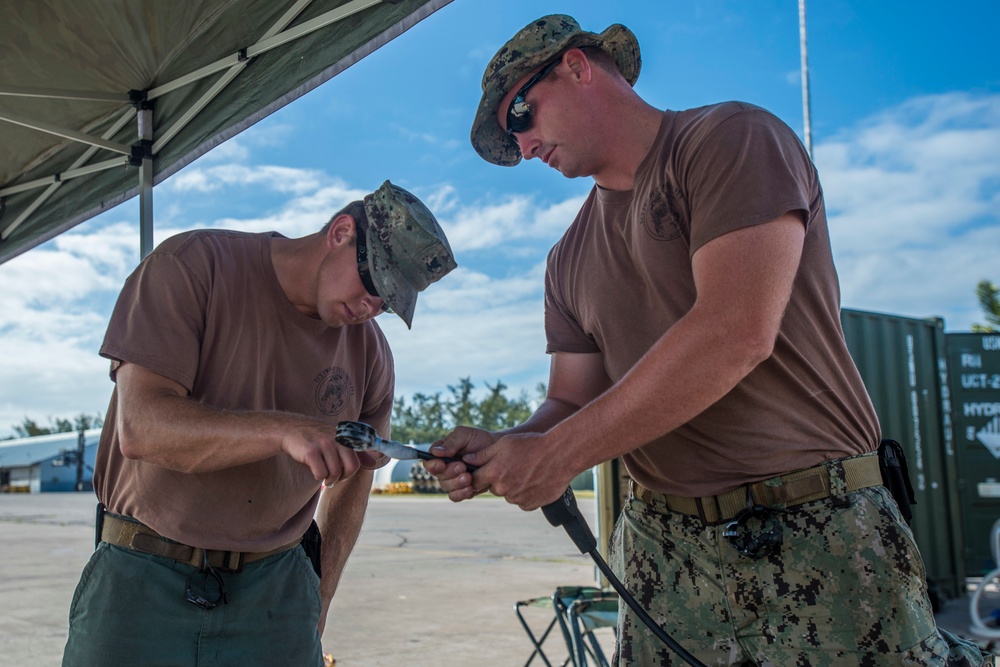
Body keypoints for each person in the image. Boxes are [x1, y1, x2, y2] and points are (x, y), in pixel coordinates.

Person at [425, 14, 989, 666]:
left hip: (818, 525)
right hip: (666, 554)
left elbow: (735, 331)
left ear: (578, 67)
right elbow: (569, 403)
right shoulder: (567, 260)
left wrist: (555, 455)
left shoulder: (731, 140)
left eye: (520, 115)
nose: (522, 146)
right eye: (508, 138)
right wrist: (513, 446)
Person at [62, 180, 456, 666]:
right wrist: (284, 430)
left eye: (389, 303)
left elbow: (360, 472)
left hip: (278, 595)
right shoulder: (193, 266)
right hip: (141, 580)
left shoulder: (370, 351)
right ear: (340, 232)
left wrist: (321, 592)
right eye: (374, 283)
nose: (371, 308)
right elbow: (143, 428)